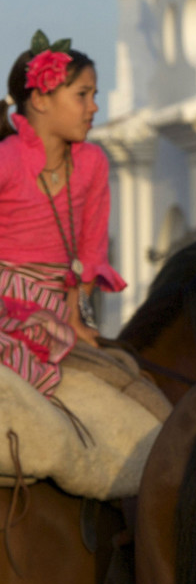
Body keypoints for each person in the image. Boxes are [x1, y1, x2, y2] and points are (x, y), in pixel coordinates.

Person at [0, 32, 123, 395]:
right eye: (82, 95)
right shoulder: (7, 159)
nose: (93, 107)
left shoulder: (93, 163)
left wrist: (75, 309)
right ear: (40, 100)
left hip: (59, 303)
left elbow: (91, 251)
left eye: (94, 96)